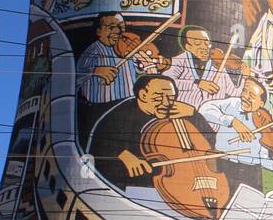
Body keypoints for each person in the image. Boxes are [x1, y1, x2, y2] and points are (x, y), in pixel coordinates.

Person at [86, 74, 214, 194]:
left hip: (166, 183)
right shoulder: (122, 112)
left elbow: (209, 141)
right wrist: (123, 155)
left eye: (170, 97)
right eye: (158, 97)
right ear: (143, 95)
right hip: (125, 186)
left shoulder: (175, 110)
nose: (166, 103)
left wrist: (194, 115)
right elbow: (100, 142)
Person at [163, 25, 244, 109]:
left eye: (207, 43)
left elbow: (235, 93)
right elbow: (165, 83)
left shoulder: (217, 65)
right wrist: (197, 84)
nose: (204, 47)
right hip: (184, 117)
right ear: (188, 47)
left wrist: (245, 76)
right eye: (197, 43)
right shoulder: (180, 60)